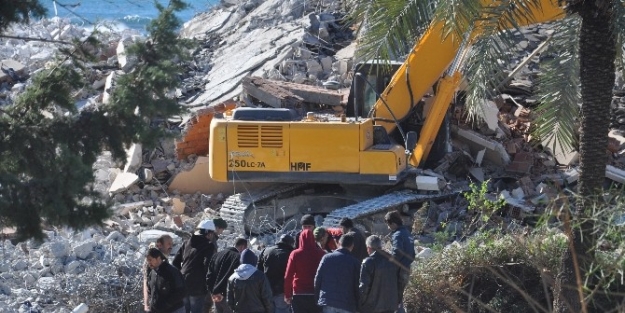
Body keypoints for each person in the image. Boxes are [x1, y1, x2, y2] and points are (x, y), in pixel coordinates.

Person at [173, 220, 218, 313]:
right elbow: (208, 265)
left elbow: (175, 262)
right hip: (197, 287)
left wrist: (179, 278)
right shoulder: (209, 246)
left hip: (183, 283)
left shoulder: (187, 243)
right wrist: (210, 284)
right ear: (209, 233)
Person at [314, 233, 360, 313]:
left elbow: (318, 279)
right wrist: (358, 306)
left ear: (339, 243)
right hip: (347, 304)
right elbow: (357, 286)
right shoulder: (355, 262)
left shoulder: (326, 258)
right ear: (352, 246)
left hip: (328, 300)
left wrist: (318, 298)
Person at [284, 228, 325, 313]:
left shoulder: (295, 254)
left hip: (299, 293)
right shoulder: (321, 254)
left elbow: (288, 275)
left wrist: (287, 294)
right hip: (316, 293)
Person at [359, 235, 400, 313]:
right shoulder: (393, 261)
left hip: (371, 307)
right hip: (390, 306)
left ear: (369, 248)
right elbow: (400, 282)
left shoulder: (368, 262)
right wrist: (398, 300)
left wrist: (360, 304)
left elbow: (364, 287)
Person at [384, 211, 415, 313]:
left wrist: (389, 262)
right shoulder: (407, 233)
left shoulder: (397, 235)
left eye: (388, 225)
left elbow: (397, 252)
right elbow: (412, 254)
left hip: (399, 271)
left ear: (393, 223)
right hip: (407, 269)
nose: (388, 228)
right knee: (400, 297)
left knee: (394, 298)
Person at [207, 238, 249, 313]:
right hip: (229, 296)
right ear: (242, 247)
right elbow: (239, 278)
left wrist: (213, 291)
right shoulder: (238, 258)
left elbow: (209, 276)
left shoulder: (216, 255)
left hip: (216, 295)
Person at [257, 234, 295, 313]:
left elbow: (259, 270)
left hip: (266, 289)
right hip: (282, 290)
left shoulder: (266, 251)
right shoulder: (290, 254)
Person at [227, 249, 274, 313]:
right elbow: (267, 298)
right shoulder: (260, 276)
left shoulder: (232, 278)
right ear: (253, 261)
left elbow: (229, 300)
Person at [146, 247, 186, 313]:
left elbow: (181, 291)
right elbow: (151, 291)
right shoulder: (152, 273)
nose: (149, 263)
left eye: (150, 260)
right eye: (148, 260)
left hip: (175, 309)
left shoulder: (172, 271)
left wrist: (167, 304)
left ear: (158, 258)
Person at [144, 235, 174, 312]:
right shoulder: (153, 260)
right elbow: (146, 281)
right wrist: (147, 303)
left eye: (172, 244)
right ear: (159, 245)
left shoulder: (163, 259)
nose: (171, 247)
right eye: (169, 244)